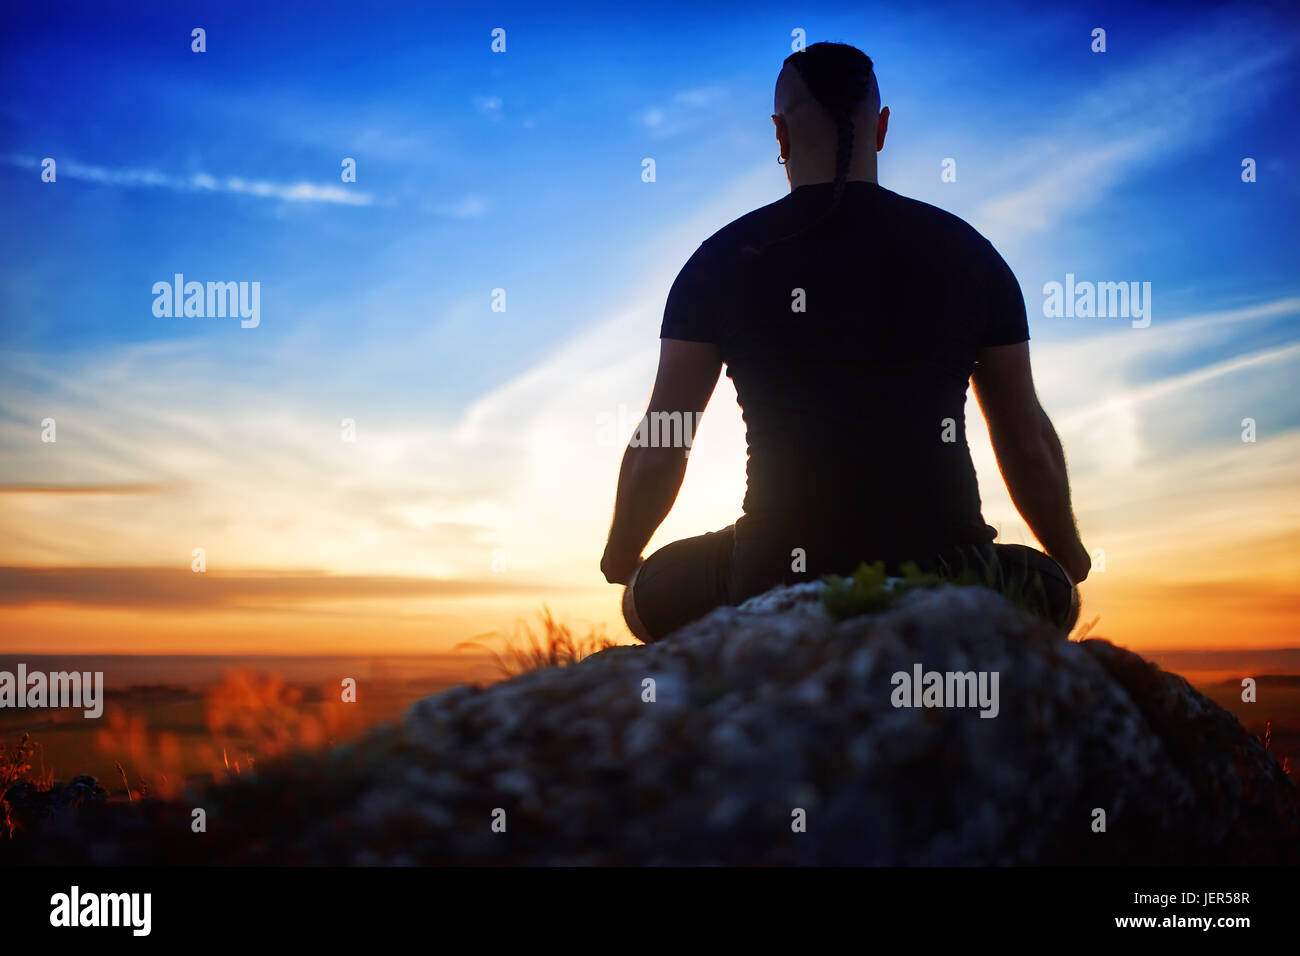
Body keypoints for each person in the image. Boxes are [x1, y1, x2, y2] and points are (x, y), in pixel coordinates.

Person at [600, 41, 1090, 642]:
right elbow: (1025, 439)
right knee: (1055, 590)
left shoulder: (722, 258)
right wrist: (1071, 556)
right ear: (881, 129)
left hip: (770, 574)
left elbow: (664, 438)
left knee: (645, 593)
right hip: (952, 573)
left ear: (780, 135)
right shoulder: (968, 252)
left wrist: (621, 557)